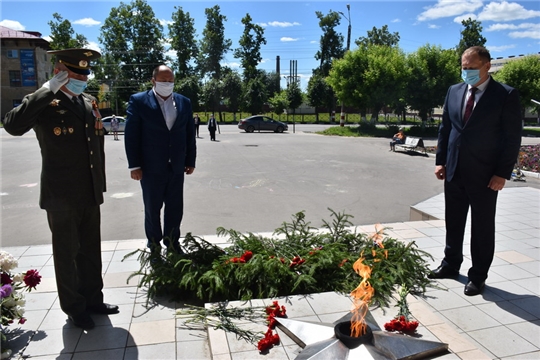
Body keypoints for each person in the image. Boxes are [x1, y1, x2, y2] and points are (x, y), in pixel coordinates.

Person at [2, 48, 119, 329]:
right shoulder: (45, 102)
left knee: (90, 251)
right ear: (59, 73)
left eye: (84, 74)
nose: (81, 78)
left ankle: (93, 300)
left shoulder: (87, 102)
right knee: (67, 254)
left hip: (90, 190)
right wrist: (45, 91)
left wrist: (99, 186)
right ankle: (74, 308)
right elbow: (12, 125)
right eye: (75, 73)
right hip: (61, 193)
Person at [430, 46, 522, 296]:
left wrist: (502, 173)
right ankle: (450, 265)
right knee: (454, 222)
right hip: (454, 170)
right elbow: (446, 128)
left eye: (471, 68)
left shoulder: (505, 95)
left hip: (485, 175)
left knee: (482, 227)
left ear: (486, 66)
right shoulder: (454, 91)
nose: (466, 72)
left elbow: (511, 138)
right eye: (463, 67)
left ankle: (478, 275)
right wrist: (441, 160)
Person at [124, 65, 196, 258]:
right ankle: (154, 244)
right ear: (153, 80)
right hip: (150, 168)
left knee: (175, 208)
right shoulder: (139, 101)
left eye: (170, 80)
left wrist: (190, 160)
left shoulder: (184, 102)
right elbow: (131, 135)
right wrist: (134, 165)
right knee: (152, 208)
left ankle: (172, 242)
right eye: (163, 80)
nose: (167, 84)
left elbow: (189, 134)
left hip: (177, 167)